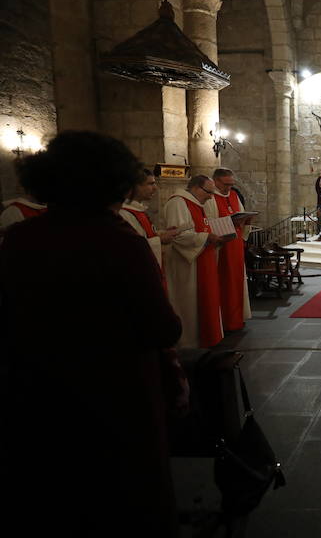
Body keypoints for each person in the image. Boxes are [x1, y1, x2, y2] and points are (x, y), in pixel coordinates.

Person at [0, 131, 182, 537]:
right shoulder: (120, 243)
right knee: (123, 495)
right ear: (113, 184)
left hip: (39, 388)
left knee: (54, 492)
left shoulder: (20, 239)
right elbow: (161, 327)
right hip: (116, 390)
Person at [163, 174, 228, 348]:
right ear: (196, 188)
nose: (211, 197)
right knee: (189, 305)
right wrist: (207, 237)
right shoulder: (178, 203)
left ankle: (206, 339)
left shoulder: (197, 204)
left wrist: (214, 238)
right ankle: (189, 343)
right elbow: (178, 236)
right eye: (209, 192)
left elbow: (201, 228)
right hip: (187, 265)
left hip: (202, 258)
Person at [205, 168, 252, 332]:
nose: (229, 188)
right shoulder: (210, 198)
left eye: (231, 184)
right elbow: (208, 222)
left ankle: (236, 318)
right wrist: (228, 222)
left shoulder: (233, 195)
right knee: (225, 282)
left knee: (237, 280)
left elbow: (240, 214)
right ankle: (225, 321)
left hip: (235, 244)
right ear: (216, 181)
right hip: (221, 246)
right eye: (226, 184)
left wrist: (245, 220)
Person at [120, 169, 180, 269]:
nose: (155, 188)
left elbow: (144, 236)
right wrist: (160, 240)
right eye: (150, 184)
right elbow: (129, 248)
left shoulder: (138, 210)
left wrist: (161, 233)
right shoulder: (123, 214)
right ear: (136, 186)